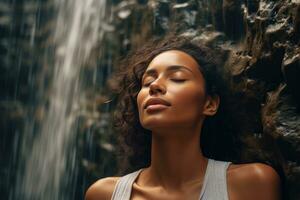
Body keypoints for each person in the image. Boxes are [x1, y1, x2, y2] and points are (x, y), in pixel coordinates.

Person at [85, 35, 283, 200]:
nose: (155, 86)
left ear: (210, 104)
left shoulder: (252, 184)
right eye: (147, 82)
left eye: (177, 78)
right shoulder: (104, 194)